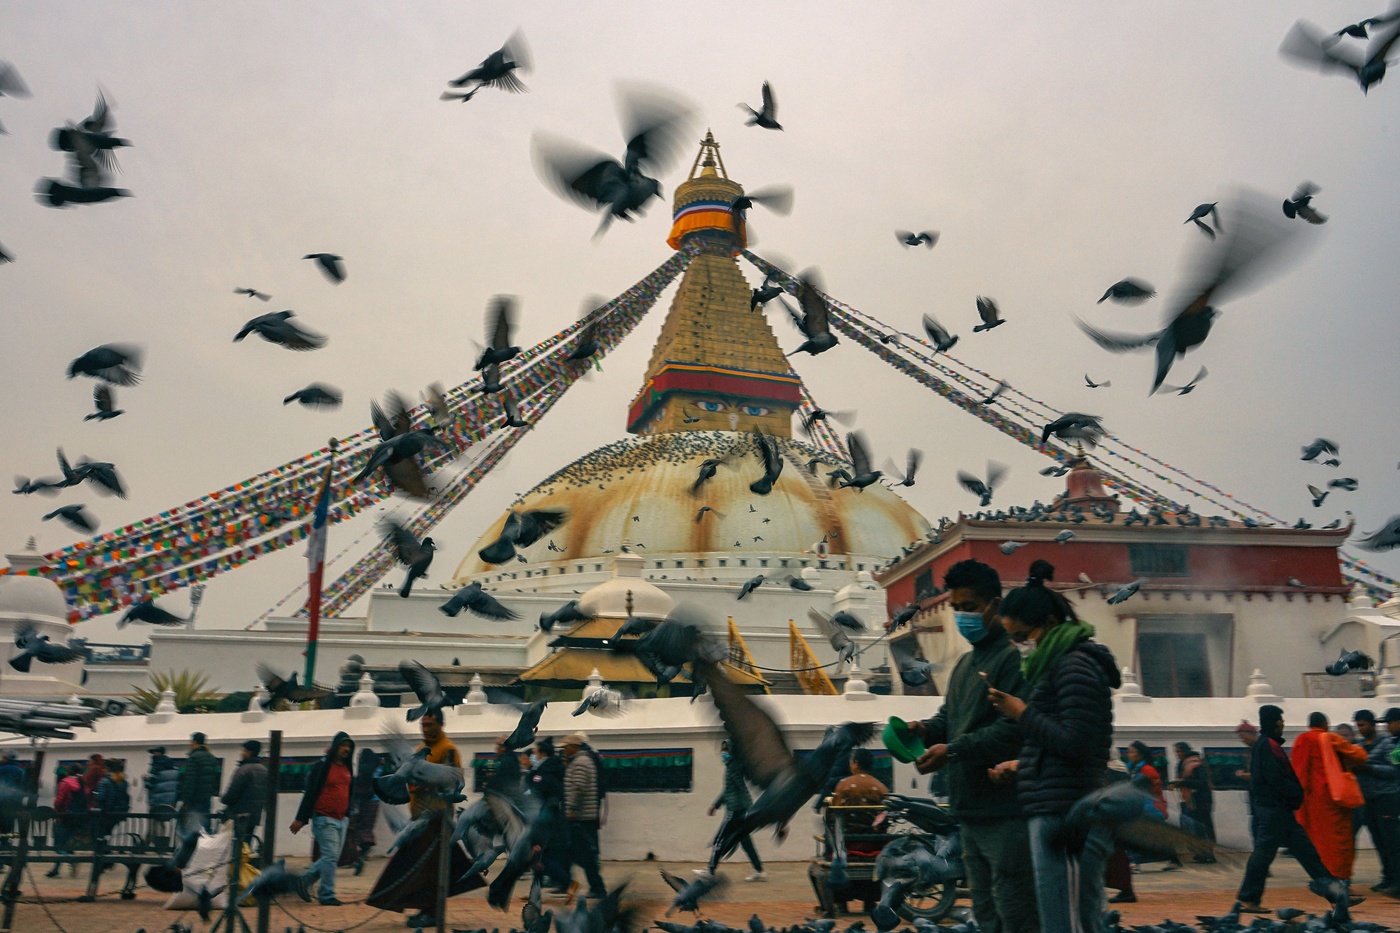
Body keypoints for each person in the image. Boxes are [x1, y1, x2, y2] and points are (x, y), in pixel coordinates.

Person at [985, 560, 1119, 933]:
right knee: (1058, 915)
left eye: (1021, 636)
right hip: (1055, 804)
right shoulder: (1056, 667)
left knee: (1071, 917)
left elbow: (1077, 743)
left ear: (1045, 624)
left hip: (1069, 813)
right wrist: (1022, 764)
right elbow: (1059, 742)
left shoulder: (1075, 667)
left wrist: (1021, 712)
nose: (1018, 646)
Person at [910, 557, 1038, 933]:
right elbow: (949, 719)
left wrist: (952, 750)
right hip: (968, 811)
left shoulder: (1015, 659)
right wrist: (923, 730)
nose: (962, 616)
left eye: (970, 607)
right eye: (956, 608)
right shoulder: (966, 664)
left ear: (994, 605)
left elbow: (1011, 731)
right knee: (984, 913)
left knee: (1015, 911)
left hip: (1007, 811)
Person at [1235, 704, 1358, 913]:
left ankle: (1337, 897)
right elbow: (1276, 780)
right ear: (1274, 722)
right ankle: (1248, 899)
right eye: (1281, 720)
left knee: (1306, 854)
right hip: (1275, 810)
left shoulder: (1265, 745)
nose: (1283, 724)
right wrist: (1295, 794)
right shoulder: (1268, 746)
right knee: (1266, 855)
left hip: (1277, 811)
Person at [367, 709, 471, 928]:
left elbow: (454, 782)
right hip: (418, 818)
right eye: (423, 725)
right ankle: (425, 910)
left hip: (437, 819)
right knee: (416, 869)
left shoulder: (448, 750)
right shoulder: (419, 751)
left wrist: (427, 782)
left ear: (441, 726)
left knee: (432, 871)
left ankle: (432, 913)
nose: (426, 729)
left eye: (431, 725)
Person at [1293, 711, 1367, 886]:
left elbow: (1299, 773)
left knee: (1318, 840)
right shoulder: (1329, 738)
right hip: (1333, 797)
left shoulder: (1301, 741)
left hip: (1310, 800)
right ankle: (1340, 879)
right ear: (1325, 724)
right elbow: (1360, 756)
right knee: (1339, 841)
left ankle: (1324, 878)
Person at [290, 732, 355, 906]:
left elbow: (349, 792)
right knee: (330, 857)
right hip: (324, 817)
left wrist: (349, 814)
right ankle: (327, 894)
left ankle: (303, 881)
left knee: (330, 858)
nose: (346, 749)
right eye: (343, 745)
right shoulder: (322, 767)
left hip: (342, 819)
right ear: (335, 747)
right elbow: (311, 792)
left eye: (348, 746)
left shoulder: (348, 768)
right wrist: (300, 818)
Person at [1353, 709, 1400, 896]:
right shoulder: (1360, 745)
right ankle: (1388, 878)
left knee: (1392, 842)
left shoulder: (1388, 744)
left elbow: (1394, 771)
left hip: (1386, 797)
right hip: (1368, 799)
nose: (1388, 727)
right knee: (1379, 841)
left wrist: (1368, 768)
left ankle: (1397, 881)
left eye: (1363, 725)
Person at [709, 739, 766, 882]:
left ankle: (710, 870)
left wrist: (750, 808)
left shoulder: (733, 767)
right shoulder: (730, 766)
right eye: (723, 750)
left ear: (732, 751)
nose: (724, 753)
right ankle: (759, 870)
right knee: (745, 841)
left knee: (721, 839)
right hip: (740, 808)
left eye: (726, 750)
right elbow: (728, 791)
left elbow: (741, 787)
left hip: (736, 810)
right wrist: (716, 805)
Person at [562, 731, 607, 901]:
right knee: (583, 853)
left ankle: (596, 886)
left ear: (573, 747)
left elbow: (579, 788)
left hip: (581, 816)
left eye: (566, 747)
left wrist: (571, 809)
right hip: (584, 815)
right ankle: (593, 884)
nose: (564, 750)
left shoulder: (580, 763)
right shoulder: (583, 760)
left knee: (583, 854)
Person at [1125, 741, 1182, 871]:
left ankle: (1136, 862)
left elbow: (1143, 789)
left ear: (1139, 754)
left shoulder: (1147, 770)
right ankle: (1173, 859)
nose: (1129, 754)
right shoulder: (1132, 768)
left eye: (1131, 752)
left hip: (1150, 807)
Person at [1171, 742, 1216, 863]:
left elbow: (1202, 782)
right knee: (1192, 828)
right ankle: (1199, 852)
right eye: (1176, 752)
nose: (1178, 754)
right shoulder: (1181, 764)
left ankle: (1208, 853)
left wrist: (1183, 782)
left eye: (1180, 752)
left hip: (1201, 799)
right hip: (1189, 799)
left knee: (1203, 828)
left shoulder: (1197, 764)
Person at [1102, 760, 1137, 904]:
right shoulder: (1121, 769)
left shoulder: (1109, 771)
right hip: (1121, 812)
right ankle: (1125, 889)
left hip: (1111, 815)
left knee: (1115, 855)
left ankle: (1126, 890)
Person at [346, 748, 383, 876]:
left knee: (355, 828)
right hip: (374, 801)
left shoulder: (363, 769)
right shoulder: (378, 768)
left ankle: (357, 856)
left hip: (361, 801)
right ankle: (363, 851)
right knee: (367, 827)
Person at [47, 764, 87, 878]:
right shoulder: (83, 782)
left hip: (65, 816)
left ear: (69, 770)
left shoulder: (65, 782)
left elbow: (59, 800)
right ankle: (55, 869)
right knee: (66, 843)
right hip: (78, 817)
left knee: (58, 844)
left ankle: (71, 860)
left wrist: (57, 812)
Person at [220, 740, 269, 830]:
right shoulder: (264, 770)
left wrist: (224, 799)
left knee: (234, 841)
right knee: (246, 841)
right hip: (254, 815)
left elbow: (233, 792)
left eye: (244, 751)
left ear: (249, 752)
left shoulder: (243, 770)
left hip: (238, 814)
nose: (242, 753)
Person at [178, 732, 222, 828]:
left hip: (194, 800)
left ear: (194, 742)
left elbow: (190, 781)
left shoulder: (193, 758)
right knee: (204, 826)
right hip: (206, 799)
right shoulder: (212, 758)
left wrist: (186, 801)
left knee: (188, 827)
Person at [1236, 721, 1260, 844]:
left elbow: (1265, 772)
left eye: (1243, 736)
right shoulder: (1249, 751)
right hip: (1253, 792)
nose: (1242, 740)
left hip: (1263, 793)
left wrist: (1247, 775)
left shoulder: (1261, 749)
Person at [93, 759, 131, 839]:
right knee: (112, 832)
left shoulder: (105, 781)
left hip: (106, 811)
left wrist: (95, 794)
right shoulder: (124, 782)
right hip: (120, 812)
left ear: (108, 769)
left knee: (101, 832)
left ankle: (103, 848)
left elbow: (101, 797)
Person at [144, 746, 180, 812]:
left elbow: (149, 785)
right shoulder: (173, 768)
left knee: (155, 820)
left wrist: (145, 779)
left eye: (154, 753)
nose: (153, 755)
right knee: (168, 820)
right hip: (170, 802)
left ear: (158, 753)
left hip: (156, 802)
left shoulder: (155, 768)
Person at [0, 753, 24, 845]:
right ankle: (5, 843)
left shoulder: (2, 769)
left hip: (1, 800)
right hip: (13, 802)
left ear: (6, 758)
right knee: (8, 825)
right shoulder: (20, 771)